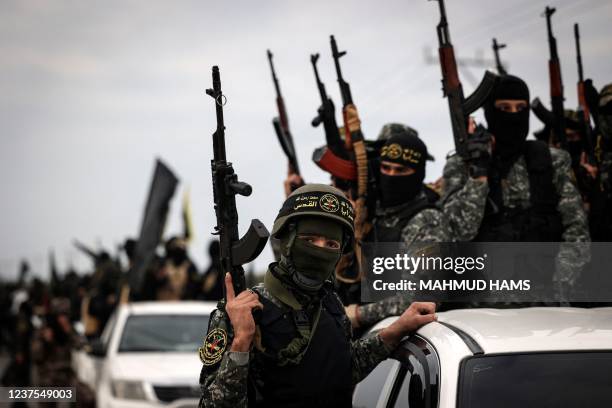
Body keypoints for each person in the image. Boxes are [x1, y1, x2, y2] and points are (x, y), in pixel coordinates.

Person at [198, 184, 436, 407]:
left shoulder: (329, 301)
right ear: (288, 241)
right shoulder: (244, 311)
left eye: (331, 244)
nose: (319, 250)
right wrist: (241, 342)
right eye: (309, 240)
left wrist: (397, 329)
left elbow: (344, 368)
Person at [441, 74, 590, 297]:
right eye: (504, 108)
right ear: (490, 112)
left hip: (545, 301)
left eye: (520, 108)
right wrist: (479, 174)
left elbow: (577, 232)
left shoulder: (552, 161)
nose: (513, 115)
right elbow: (456, 234)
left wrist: (559, 287)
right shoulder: (462, 165)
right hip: (481, 308)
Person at [344, 124, 453, 329]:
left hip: (415, 340)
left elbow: (418, 298)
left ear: (417, 173)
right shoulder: (373, 214)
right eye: (386, 168)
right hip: (375, 333)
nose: (392, 175)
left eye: (401, 170)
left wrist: (356, 315)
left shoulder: (428, 221)